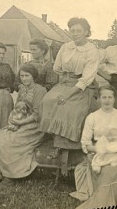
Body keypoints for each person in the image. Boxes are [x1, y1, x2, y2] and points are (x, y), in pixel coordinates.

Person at [70, 86, 117, 209]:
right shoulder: (92, 117)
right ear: (98, 99)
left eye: (110, 97)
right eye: (103, 97)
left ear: (114, 99)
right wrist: (99, 149)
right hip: (99, 153)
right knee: (106, 171)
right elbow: (86, 142)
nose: (107, 100)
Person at [0, 64, 47, 187]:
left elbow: (38, 115)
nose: (24, 79)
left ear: (33, 76)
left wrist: (20, 123)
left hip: (35, 127)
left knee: (11, 142)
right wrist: (14, 123)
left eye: (27, 76)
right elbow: (17, 110)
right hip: (20, 123)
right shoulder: (22, 89)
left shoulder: (39, 90)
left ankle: (9, 177)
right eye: (22, 76)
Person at [39, 17, 99, 159]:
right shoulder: (66, 47)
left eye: (79, 30)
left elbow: (86, 79)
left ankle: (62, 145)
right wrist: (65, 81)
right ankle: (49, 136)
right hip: (64, 82)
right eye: (72, 31)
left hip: (82, 86)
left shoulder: (91, 50)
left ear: (86, 32)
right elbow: (57, 67)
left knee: (67, 107)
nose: (75, 33)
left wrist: (67, 94)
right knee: (47, 101)